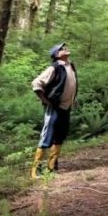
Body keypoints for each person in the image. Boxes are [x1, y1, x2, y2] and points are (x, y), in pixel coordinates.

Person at [29, 42, 77, 178]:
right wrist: (45, 101)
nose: (65, 49)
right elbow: (36, 83)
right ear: (56, 55)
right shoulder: (54, 67)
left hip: (66, 108)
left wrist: (73, 100)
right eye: (61, 49)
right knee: (47, 136)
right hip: (55, 107)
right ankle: (35, 170)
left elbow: (70, 85)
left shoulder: (71, 66)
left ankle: (51, 168)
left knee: (60, 136)